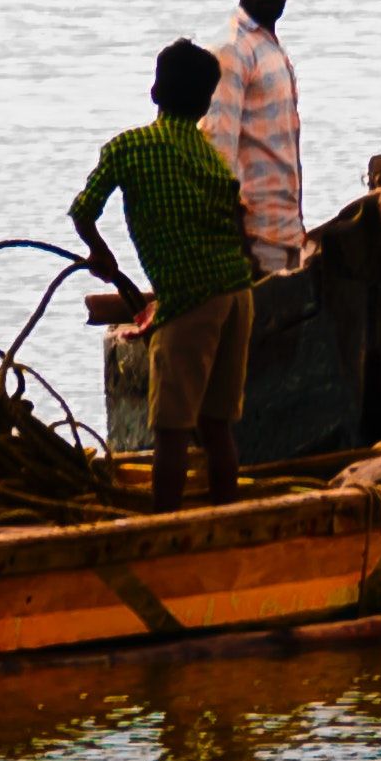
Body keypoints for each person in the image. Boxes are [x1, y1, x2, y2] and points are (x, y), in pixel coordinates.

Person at [73, 39, 263, 507]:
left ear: (155, 91)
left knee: (172, 431)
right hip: (237, 295)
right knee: (217, 427)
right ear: (205, 103)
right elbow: (237, 226)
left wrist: (100, 255)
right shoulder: (208, 155)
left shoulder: (128, 146)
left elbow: (83, 211)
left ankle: (165, 527)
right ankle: (224, 520)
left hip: (192, 300)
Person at [214, 0, 307, 274]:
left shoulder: (271, 49)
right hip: (253, 242)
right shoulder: (232, 50)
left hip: (285, 236)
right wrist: (239, 251)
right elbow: (217, 159)